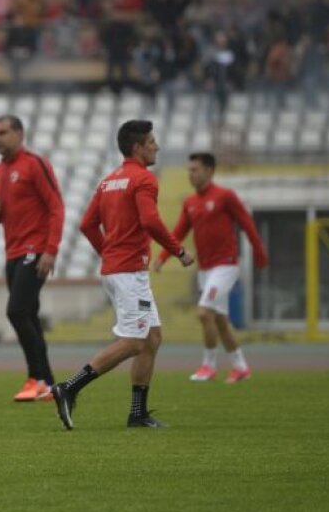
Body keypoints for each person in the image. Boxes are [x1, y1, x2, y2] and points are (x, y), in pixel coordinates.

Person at [52, 120, 193, 430]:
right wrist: (179, 251)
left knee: (152, 338)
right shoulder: (144, 179)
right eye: (152, 142)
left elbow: (87, 224)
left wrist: (108, 252)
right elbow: (150, 221)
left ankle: (137, 413)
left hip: (118, 269)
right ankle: (69, 388)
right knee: (133, 342)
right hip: (128, 273)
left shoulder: (109, 181)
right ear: (137, 147)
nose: (157, 147)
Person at [156, 152, 267, 384]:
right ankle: (240, 367)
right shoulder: (190, 202)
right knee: (219, 321)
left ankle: (208, 366)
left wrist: (259, 251)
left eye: (194, 170)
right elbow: (179, 232)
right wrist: (164, 256)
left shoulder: (225, 196)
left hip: (225, 265)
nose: (190, 174)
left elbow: (247, 223)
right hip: (205, 270)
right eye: (189, 170)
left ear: (209, 170)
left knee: (204, 312)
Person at [0, 115, 64, 401]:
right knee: (28, 314)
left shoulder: (34, 164)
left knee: (16, 311)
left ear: (19, 134)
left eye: (3, 132)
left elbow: (56, 207)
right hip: (13, 252)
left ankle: (37, 377)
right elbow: (1, 214)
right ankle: (48, 384)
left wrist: (51, 250)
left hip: (35, 249)